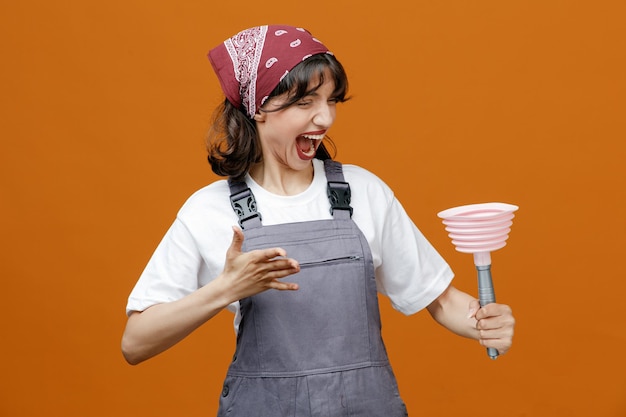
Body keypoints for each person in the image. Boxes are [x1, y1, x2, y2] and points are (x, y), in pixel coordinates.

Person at [122, 24, 515, 416]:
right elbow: (135, 343)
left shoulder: (365, 192)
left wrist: (483, 322)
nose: (325, 117)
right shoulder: (208, 210)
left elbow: (440, 300)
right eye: (306, 102)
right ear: (258, 106)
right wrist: (226, 289)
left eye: (331, 101)